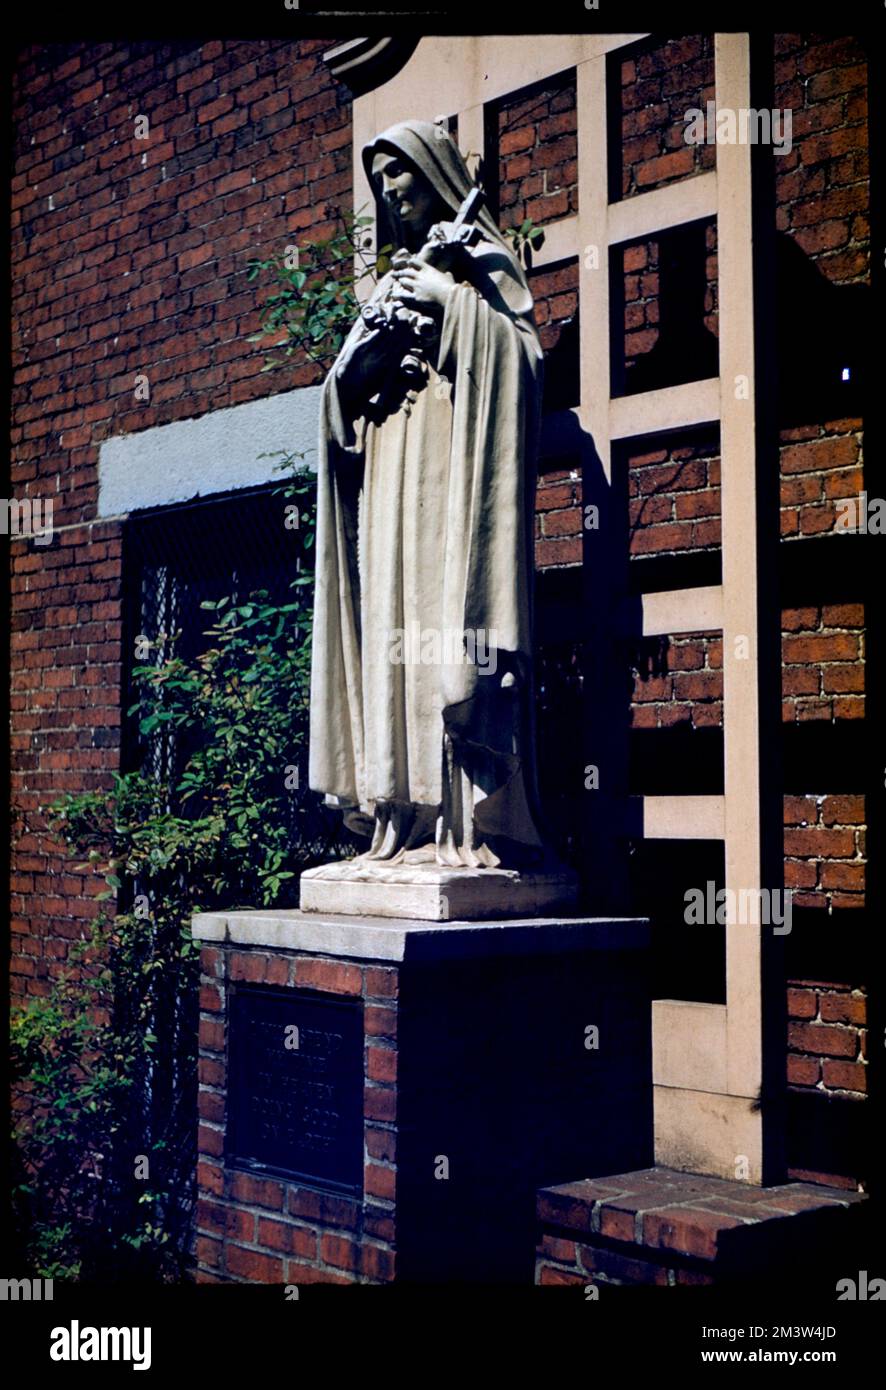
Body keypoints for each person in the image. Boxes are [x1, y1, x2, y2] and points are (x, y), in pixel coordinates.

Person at [308, 119, 548, 871]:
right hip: (387, 476)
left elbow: (520, 363)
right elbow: (336, 405)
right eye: (379, 180)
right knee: (390, 628)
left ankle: (462, 823)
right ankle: (398, 818)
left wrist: (449, 299)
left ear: (431, 173)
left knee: (444, 626)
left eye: (399, 174)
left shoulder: (478, 259)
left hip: (451, 473)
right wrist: (356, 370)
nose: (388, 190)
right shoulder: (385, 282)